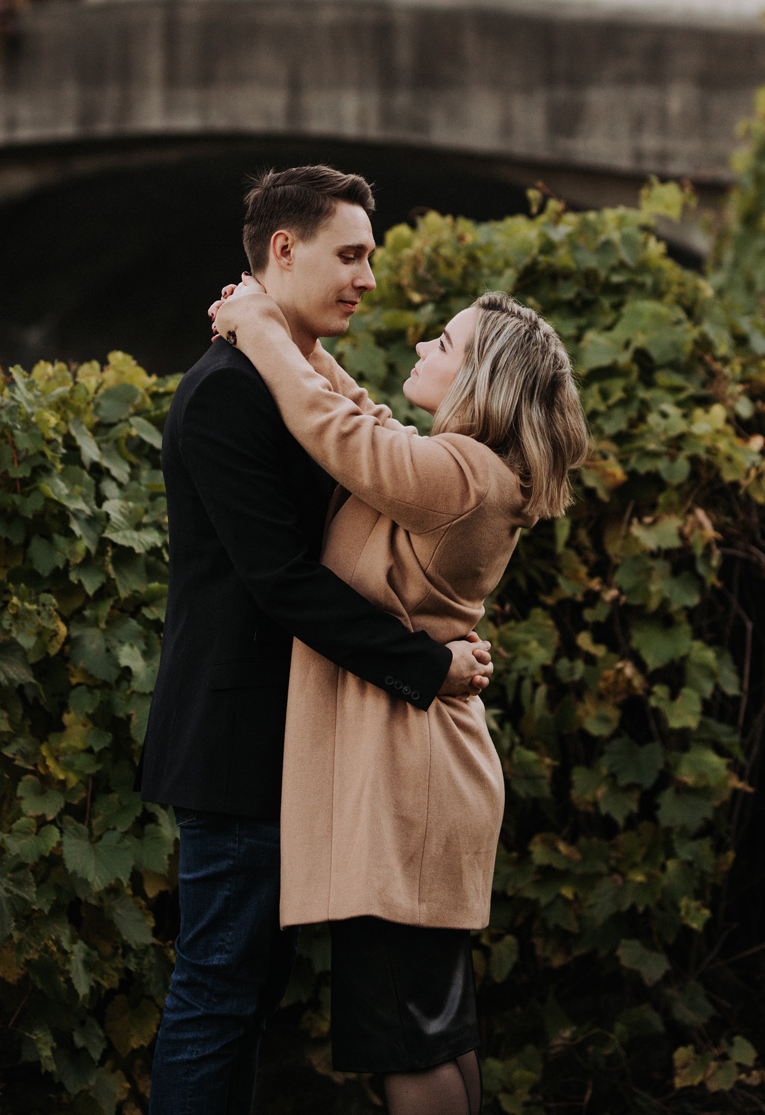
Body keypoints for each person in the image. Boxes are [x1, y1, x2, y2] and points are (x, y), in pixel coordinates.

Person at [140, 165, 495, 1115]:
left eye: (369, 257)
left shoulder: (290, 386)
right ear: (282, 252)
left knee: (249, 999)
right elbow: (282, 583)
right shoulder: (226, 394)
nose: (368, 279)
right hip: (236, 744)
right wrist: (427, 666)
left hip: (295, 743)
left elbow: (361, 430)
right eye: (351, 254)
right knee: (218, 994)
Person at [213, 274, 590, 1115]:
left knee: (405, 1038)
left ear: (480, 380)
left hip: (404, 789)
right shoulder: (472, 473)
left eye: (444, 345)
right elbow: (368, 423)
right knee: (436, 1028)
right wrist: (299, 345)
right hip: (424, 777)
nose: (422, 348)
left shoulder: (461, 478)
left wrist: (258, 324)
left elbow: (336, 431)